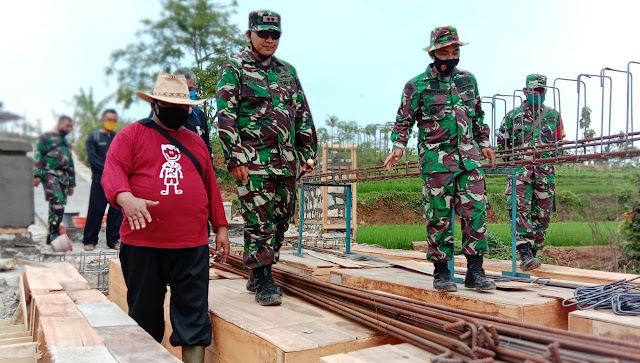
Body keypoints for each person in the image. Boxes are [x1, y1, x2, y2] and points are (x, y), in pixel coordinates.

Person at [101, 73, 230, 363]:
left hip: (192, 244)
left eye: (183, 107)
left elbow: (211, 186)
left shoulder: (196, 143)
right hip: (144, 245)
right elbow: (113, 170)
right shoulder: (131, 135)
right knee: (144, 315)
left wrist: (221, 226)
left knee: (193, 315)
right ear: (156, 105)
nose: (179, 111)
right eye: (171, 105)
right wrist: (126, 198)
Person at [216, 10, 317, 306]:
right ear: (250, 35)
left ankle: (258, 269)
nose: (269, 40)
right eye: (263, 34)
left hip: (286, 161)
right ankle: (264, 278)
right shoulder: (234, 69)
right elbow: (226, 116)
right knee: (259, 221)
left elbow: (302, 113)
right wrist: (235, 158)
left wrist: (308, 152)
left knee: (282, 219)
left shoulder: (287, 71)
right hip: (253, 162)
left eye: (275, 35)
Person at [385, 26, 496, 292]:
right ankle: (442, 272)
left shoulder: (468, 80)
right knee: (439, 216)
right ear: (434, 53)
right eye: (444, 52)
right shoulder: (417, 85)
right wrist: (398, 146)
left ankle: (475, 271)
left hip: (469, 160)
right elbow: (404, 121)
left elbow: (477, 116)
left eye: (455, 51)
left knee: (476, 213)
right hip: (436, 163)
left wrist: (484, 143)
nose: (450, 57)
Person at [497, 74, 565, 271]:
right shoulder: (513, 116)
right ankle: (524, 251)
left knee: (542, 216)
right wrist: (514, 164)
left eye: (541, 90)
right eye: (534, 90)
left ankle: (532, 254)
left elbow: (559, 143)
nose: (538, 93)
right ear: (526, 91)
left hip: (545, 174)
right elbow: (502, 145)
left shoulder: (554, 116)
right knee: (520, 211)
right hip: (520, 174)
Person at [82, 109, 123, 251]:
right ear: (103, 120)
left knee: (116, 211)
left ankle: (113, 240)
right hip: (100, 181)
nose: (111, 122)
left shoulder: (118, 138)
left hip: (117, 181)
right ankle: (90, 240)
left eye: (114, 120)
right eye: (109, 119)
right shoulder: (94, 137)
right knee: (96, 210)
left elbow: (123, 157)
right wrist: (110, 169)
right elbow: (93, 159)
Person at [33, 115, 75, 244]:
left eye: (71, 127)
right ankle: (54, 232)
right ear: (60, 124)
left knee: (60, 204)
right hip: (49, 173)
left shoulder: (66, 142)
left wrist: (71, 183)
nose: (69, 129)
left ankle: (51, 232)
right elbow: (38, 154)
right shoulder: (46, 138)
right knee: (57, 199)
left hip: (64, 176)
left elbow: (70, 162)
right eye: (67, 126)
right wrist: (37, 175)